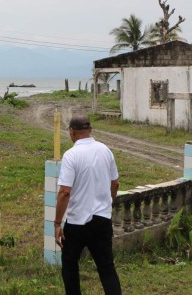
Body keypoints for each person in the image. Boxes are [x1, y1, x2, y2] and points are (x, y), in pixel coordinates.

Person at [54, 116, 122, 295]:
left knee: (70, 265)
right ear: (90, 130)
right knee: (107, 267)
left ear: (72, 132)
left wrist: (57, 223)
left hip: (76, 223)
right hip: (101, 220)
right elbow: (115, 184)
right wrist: (108, 204)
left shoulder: (71, 155)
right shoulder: (105, 150)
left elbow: (64, 192)